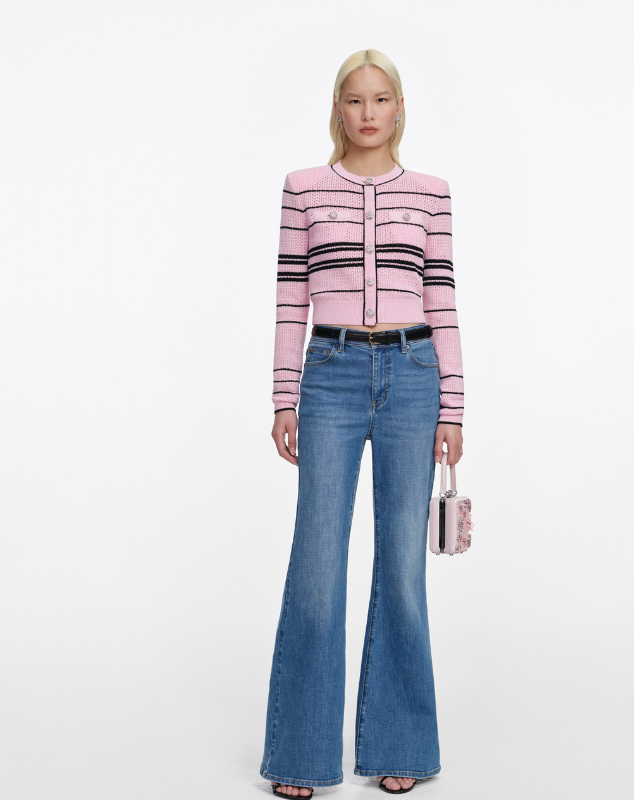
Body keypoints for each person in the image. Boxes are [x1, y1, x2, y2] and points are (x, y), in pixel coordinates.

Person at [260, 49, 465, 797]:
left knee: (403, 569)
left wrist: (453, 406)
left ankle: (398, 741)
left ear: (399, 108)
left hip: (413, 376)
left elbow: (442, 300)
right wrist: (284, 397)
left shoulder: (432, 194)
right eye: (355, 100)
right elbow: (292, 298)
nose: (368, 113)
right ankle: (301, 754)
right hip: (332, 375)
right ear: (338, 109)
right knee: (317, 563)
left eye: (381, 99)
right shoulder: (304, 189)